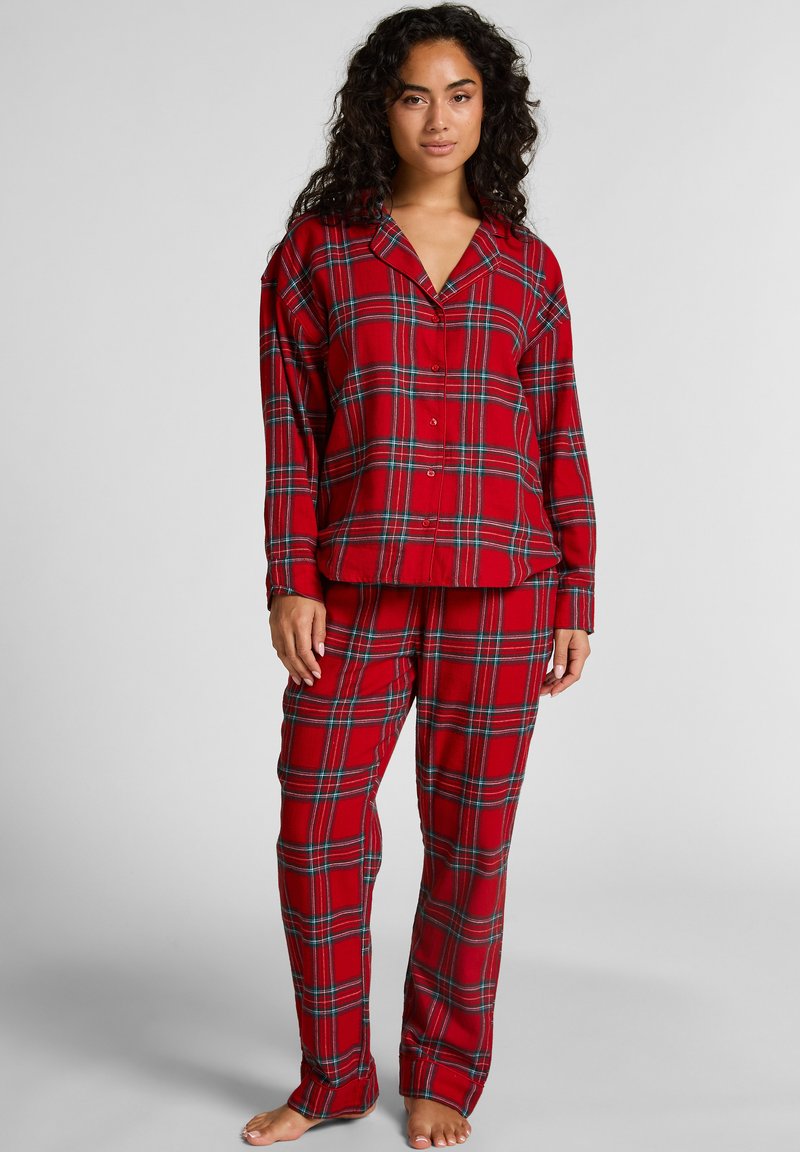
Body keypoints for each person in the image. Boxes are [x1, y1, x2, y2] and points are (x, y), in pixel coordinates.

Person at [243, 4, 597, 1148]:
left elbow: (559, 434)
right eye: (412, 95)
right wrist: (289, 575)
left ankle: (442, 1070)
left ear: (490, 110)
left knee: (469, 843)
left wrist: (577, 588)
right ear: (378, 110)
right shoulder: (317, 254)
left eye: (459, 94)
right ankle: (333, 1076)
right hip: (354, 587)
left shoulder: (526, 268)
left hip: (503, 590)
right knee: (317, 829)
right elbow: (291, 434)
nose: (436, 118)